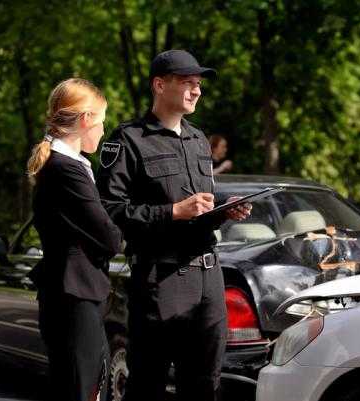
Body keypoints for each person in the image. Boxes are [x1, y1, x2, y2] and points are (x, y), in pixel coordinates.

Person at [96, 50, 250, 401]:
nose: (196, 91)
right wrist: (171, 212)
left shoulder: (198, 139)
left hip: (209, 279)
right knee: (147, 384)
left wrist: (224, 209)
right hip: (160, 280)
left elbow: (201, 203)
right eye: (187, 83)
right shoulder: (127, 140)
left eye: (198, 84)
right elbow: (110, 209)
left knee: (205, 384)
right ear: (159, 85)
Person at [26, 78, 122, 401]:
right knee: (85, 389)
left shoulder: (63, 165)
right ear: (85, 120)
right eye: (101, 122)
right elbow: (110, 238)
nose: (103, 131)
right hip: (74, 297)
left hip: (71, 294)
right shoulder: (65, 169)